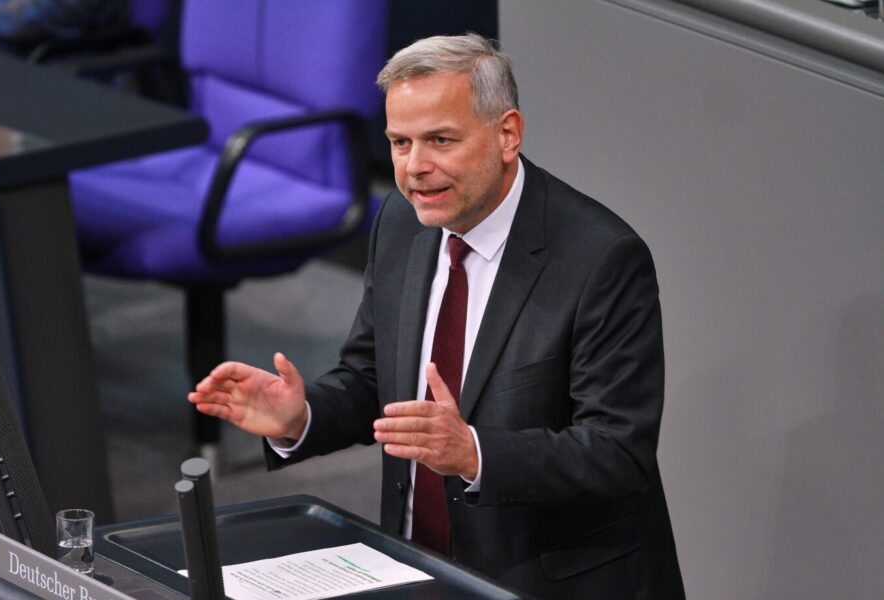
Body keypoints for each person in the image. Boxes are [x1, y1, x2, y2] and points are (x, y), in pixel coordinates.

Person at [189, 33, 685, 599]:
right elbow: (375, 379)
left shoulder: (600, 260)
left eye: (440, 140)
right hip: (414, 571)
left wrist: (474, 453)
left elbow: (617, 452)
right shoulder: (402, 222)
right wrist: (301, 417)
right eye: (399, 143)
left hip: (547, 582)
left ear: (507, 134)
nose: (415, 168)